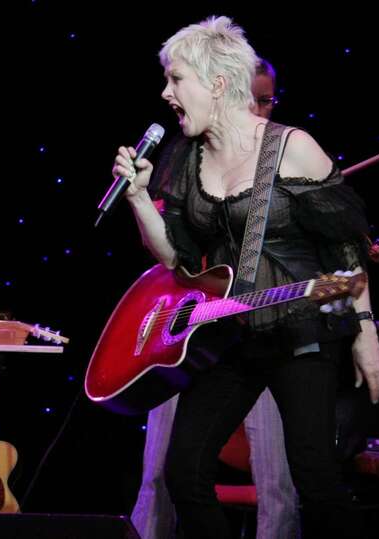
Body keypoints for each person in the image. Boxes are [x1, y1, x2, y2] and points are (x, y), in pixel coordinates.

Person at [113, 16, 379, 539]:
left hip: (303, 328)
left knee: (314, 477)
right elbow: (176, 259)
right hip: (232, 333)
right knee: (183, 472)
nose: (165, 91)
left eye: (177, 78)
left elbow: (346, 247)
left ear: (217, 84)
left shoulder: (291, 147)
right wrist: (139, 198)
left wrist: (366, 332)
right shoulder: (185, 156)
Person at [130, 58, 301, 539]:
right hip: (187, 326)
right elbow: (166, 250)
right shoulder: (190, 157)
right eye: (251, 100)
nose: (260, 110)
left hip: (258, 332)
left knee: (278, 483)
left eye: (267, 100)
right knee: (161, 473)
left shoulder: (284, 159)